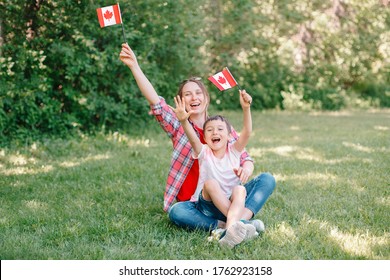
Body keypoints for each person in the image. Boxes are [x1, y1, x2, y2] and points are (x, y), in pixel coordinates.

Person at [119, 43, 276, 236]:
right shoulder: (178, 123)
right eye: (187, 94)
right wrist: (134, 66)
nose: (194, 97)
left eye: (198, 92)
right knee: (177, 212)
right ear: (181, 101)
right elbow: (155, 101)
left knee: (266, 179)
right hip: (196, 202)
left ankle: (231, 224)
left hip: (226, 196)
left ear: (206, 99)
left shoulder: (220, 127)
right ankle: (237, 223)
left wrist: (246, 170)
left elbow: (245, 157)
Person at [173, 90, 259, 247]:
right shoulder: (203, 152)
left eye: (220, 129)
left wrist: (246, 108)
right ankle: (241, 224)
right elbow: (192, 138)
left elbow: (247, 132)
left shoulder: (234, 150)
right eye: (210, 130)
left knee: (242, 189)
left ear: (228, 135)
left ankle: (228, 231)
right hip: (207, 207)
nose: (215, 132)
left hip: (232, 203)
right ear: (205, 138)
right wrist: (184, 122)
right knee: (177, 210)